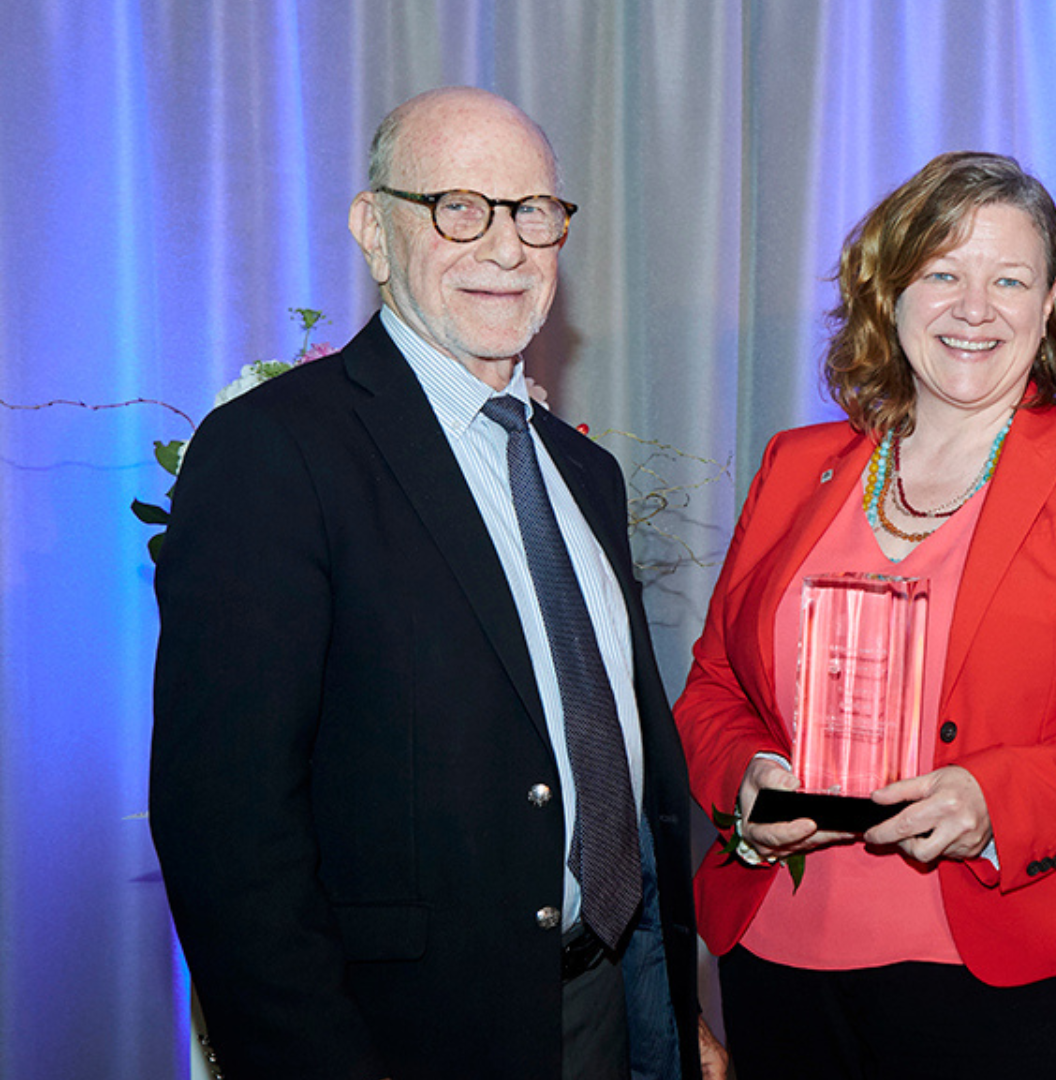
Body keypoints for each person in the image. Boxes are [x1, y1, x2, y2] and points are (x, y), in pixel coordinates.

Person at [150, 86, 723, 1080]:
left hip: (606, 1009)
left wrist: (666, 1013)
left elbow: (610, 771)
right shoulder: (273, 452)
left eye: (534, 213)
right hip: (400, 1038)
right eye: (459, 206)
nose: (505, 247)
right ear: (375, 230)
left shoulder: (585, 475)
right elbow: (228, 838)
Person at [674, 151, 1056, 1079]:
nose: (975, 308)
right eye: (942, 273)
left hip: (1024, 985)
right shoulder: (792, 464)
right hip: (782, 964)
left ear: (1051, 302)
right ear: (889, 292)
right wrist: (746, 776)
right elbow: (711, 690)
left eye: (1008, 278)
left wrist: (992, 802)